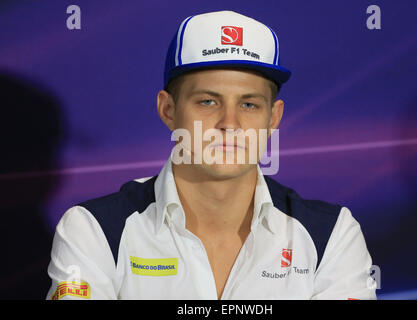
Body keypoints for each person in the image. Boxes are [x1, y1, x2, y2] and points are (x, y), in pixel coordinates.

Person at [46, 10, 377, 300]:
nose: (229, 124)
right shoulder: (94, 230)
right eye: (208, 101)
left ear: (273, 117)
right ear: (168, 109)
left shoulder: (331, 235)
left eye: (249, 104)